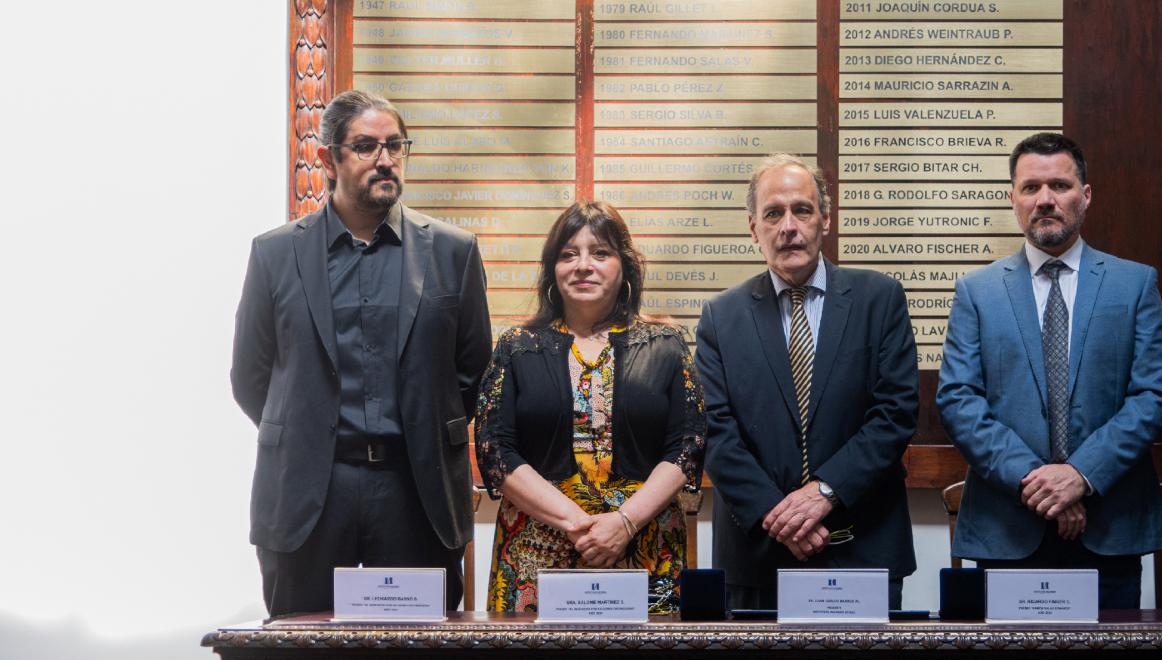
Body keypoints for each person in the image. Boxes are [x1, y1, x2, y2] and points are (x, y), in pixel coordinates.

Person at [231, 90, 492, 616]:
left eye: (396, 146)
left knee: (418, 647)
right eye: (367, 146)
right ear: (329, 159)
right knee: (300, 646)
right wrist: (306, 428)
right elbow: (250, 375)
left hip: (415, 490)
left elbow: (473, 370)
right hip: (310, 490)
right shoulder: (275, 253)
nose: (386, 159)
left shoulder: (452, 251)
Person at [936, 132, 1162, 609]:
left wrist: (1081, 475)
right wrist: (1040, 482)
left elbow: (1151, 395)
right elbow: (959, 400)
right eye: (1030, 188)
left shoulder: (1135, 284)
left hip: (1109, 527)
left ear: (1085, 196)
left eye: (1060, 185)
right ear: (1013, 199)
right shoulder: (976, 292)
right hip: (1007, 526)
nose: (1045, 199)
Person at [696, 154, 919, 609]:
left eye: (802, 209)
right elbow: (716, 433)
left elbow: (895, 414)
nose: (788, 227)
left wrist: (822, 494)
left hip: (863, 546)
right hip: (757, 553)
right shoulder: (721, 317)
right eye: (773, 214)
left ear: (826, 219)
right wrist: (778, 516)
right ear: (753, 228)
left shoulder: (880, 299)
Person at [473, 201, 705, 614]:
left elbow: (688, 446)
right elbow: (495, 451)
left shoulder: (665, 343)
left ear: (624, 267)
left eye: (600, 253)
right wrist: (576, 524)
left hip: (644, 546)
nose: (583, 265)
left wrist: (624, 522)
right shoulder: (516, 347)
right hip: (536, 552)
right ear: (552, 269)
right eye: (568, 254)